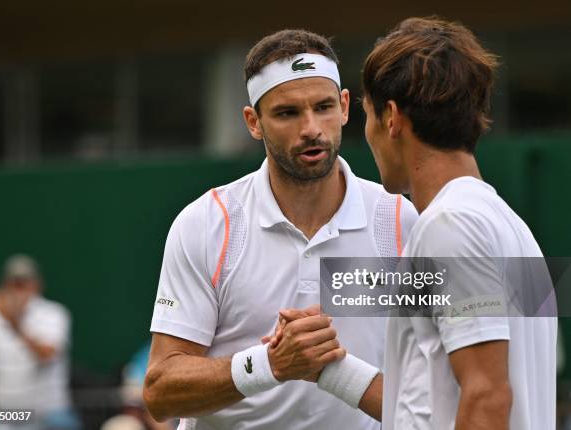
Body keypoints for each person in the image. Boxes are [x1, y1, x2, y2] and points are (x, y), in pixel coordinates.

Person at [275, 16, 557, 429]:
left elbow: (487, 396)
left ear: (391, 118)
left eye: (368, 116)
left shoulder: (451, 226)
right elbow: (428, 403)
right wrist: (328, 368)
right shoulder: (504, 224)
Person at [143, 29, 417, 429]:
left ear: (344, 107)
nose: (311, 128)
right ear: (254, 122)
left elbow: (501, 310)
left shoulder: (398, 220)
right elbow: (160, 391)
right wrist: (269, 364)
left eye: (323, 107)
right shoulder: (206, 223)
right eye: (287, 113)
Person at [0, 254, 80, 430]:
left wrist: (14, 323)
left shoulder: (54, 313)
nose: (18, 290)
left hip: (50, 416)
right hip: (5, 417)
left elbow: (46, 355)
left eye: (23, 283)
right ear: (4, 285)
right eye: (13, 283)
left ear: (37, 285)